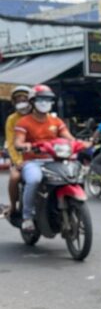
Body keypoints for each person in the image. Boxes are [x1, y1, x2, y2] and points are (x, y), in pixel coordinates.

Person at [13, 85, 74, 231]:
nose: (44, 102)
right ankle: (27, 217)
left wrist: (80, 143)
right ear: (33, 101)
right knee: (33, 180)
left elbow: (69, 138)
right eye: (41, 99)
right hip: (32, 161)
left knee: (73, 176)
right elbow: (17, 142)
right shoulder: (24, 122)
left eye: (48, 99)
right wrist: (25, 145)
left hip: (55, 160)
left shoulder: (56, 121)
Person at [3, 85, 32, 220]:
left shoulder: (39, 115)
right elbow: (10, 142)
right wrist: (18, 161)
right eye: (19, 100)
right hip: (20, 158)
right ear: (14, 102)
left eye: (24, 99)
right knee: (14, 178)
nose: (22, 102)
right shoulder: (12, 119)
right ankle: (14, 206)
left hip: (41, 156)